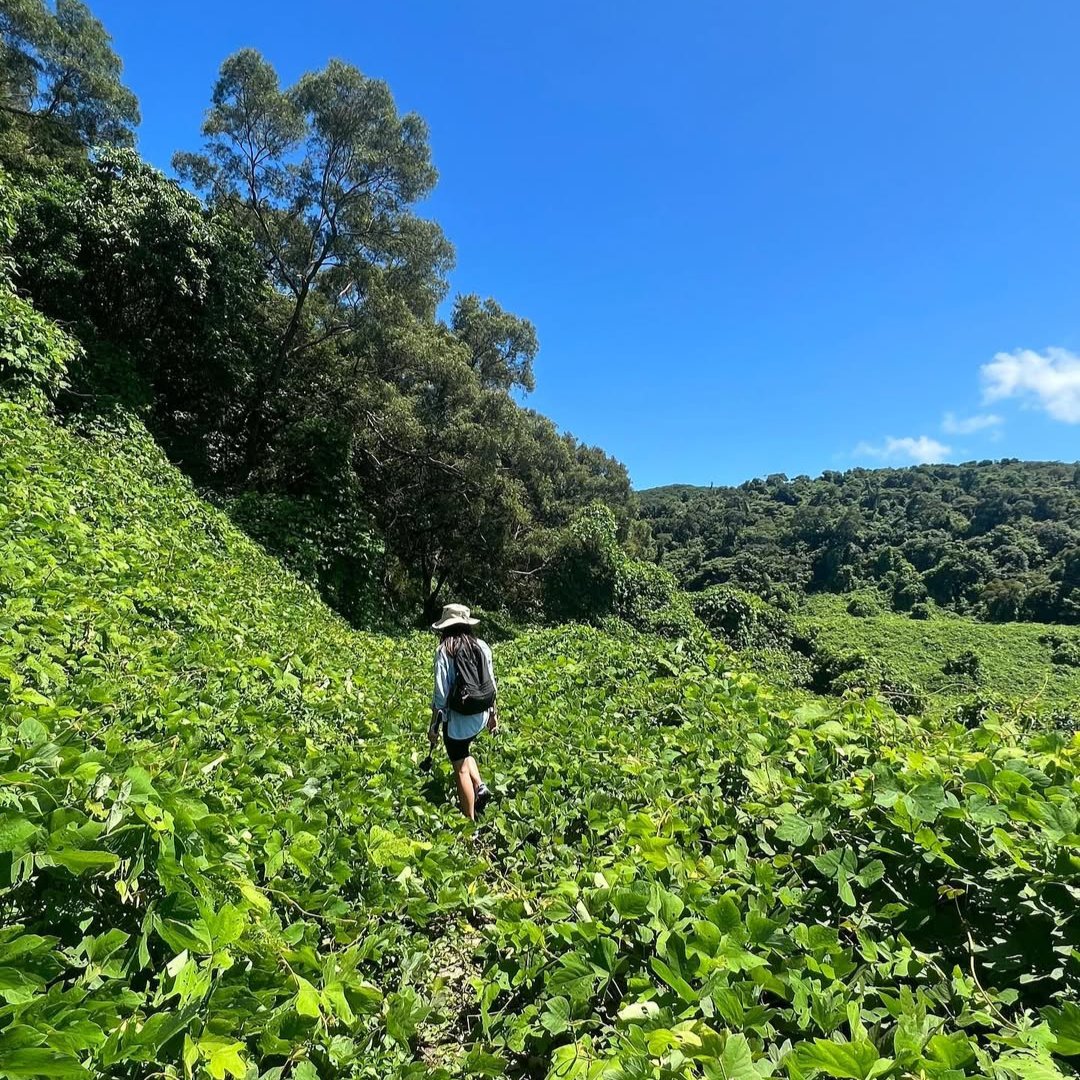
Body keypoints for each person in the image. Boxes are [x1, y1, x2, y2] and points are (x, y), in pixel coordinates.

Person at [429, 603, 499, 820]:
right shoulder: (482, 646)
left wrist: (433, 726)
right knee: (464, 749)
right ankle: (479, 787)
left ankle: (468, 824)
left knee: (459, 766)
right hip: (481, 714)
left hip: (459, 718)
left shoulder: (445, 650)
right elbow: (492, 684)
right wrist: (494, 716)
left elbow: (440, 695)